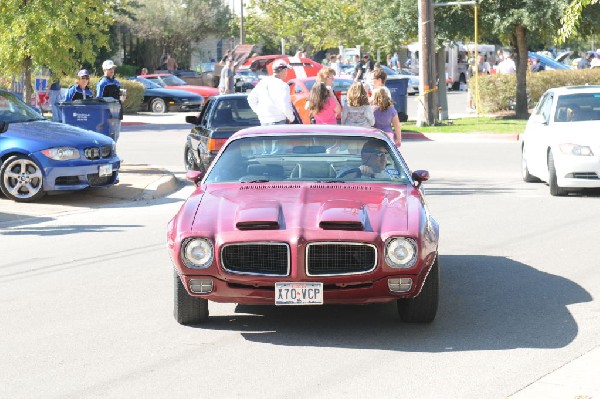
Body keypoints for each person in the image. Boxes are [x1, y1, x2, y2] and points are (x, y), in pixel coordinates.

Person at [247, 59, 295, 125]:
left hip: (264, 121)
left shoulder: (263, 82)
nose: (286, 73)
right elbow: (285, 105)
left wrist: (260, 112)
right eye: (286, 70)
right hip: (278, 120)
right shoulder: (283, 85)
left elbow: (251, 98)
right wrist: (291, 118)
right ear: (283, 70)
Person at [96, 60, 122, 141]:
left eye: (113, 68)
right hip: (107, 114)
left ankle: (112, 152)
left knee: (116, 136)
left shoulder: (117, 82)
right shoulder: (102, 83)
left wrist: (122, 98)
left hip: (117, 113)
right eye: (109, 68)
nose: (112, 70)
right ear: (104, 70)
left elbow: (120, 97)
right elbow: (99, 99)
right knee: (107, 136)